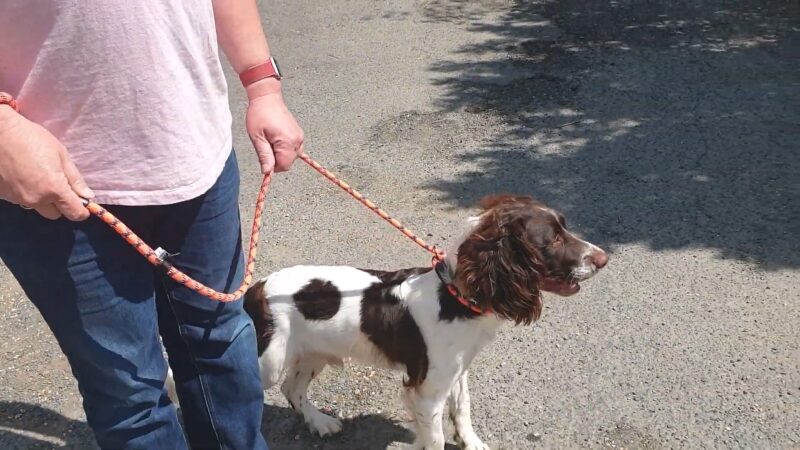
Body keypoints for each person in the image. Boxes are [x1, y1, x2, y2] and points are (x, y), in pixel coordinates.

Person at [0, 1, 304, 448]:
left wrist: (263, 86)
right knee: (129, 391)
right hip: (53, 192)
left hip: (200, 158)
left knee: (222, 344)